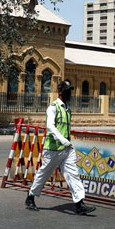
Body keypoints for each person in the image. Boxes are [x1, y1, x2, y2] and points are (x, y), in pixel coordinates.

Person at [25, 80, 95, 215]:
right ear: (61, 92)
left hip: (67, 149)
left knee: (73, 174)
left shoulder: (67, 109)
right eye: (68, 91)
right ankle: (30, 197)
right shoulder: (53, 107)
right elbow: (50, 126)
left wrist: (66, 142)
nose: (70, 93)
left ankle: (79, 204)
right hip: (53, 149)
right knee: (44, 173)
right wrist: (62, 140)